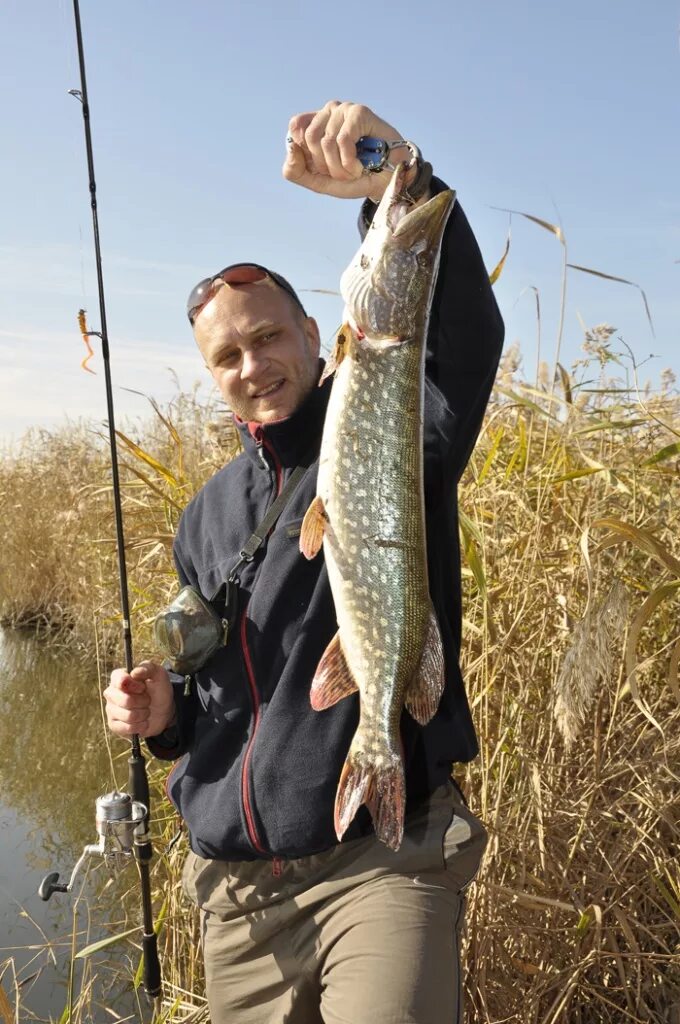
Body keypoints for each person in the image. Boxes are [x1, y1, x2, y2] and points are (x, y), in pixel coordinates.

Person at [104, 100, 504, 1024]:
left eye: (271, 335)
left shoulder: (393, 419)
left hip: (380, 863)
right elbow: (216, 687)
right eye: (228, 355)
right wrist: (165, 718)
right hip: (239, 903)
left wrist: (391, 172)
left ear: (321, 334)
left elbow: (460, 340)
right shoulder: (205, 515)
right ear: (214, 376)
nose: (254, 364)